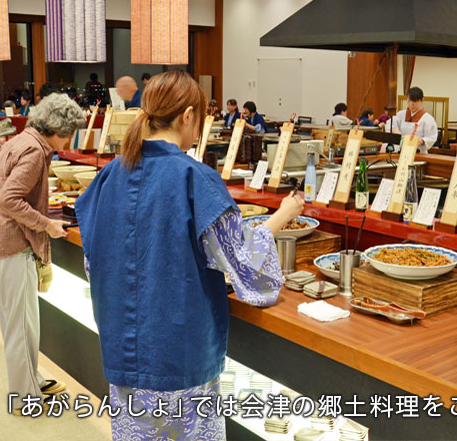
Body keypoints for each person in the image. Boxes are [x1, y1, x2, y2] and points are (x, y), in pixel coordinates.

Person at [74, 70, 304, 440]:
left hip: (123, 349)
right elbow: (243, 262)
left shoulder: (111, 174)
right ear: (188, 116)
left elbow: (94, 259)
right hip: (179, 353)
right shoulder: (194, 177)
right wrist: (281, 217)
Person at [0, 92, 87, 412]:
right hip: (11, 247)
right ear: (57, 128)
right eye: (69, 133)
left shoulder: (19, 141)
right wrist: (46, 224)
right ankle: (23, 397)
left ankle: (31, 381)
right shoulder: (33, 150)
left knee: (25, 324)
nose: (69, 140)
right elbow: (9, 198)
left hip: (0, 243)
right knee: (19, 326)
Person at [385, 86, 438, 154]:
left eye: (415, 101)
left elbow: (432, 136)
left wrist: (422, 141)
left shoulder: (428, 119)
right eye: (409, 101)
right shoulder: (401, 114)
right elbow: (389, 123)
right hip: (401, 151)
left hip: (419, 153)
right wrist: (394, 130)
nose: (411, 104)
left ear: (422, 100)